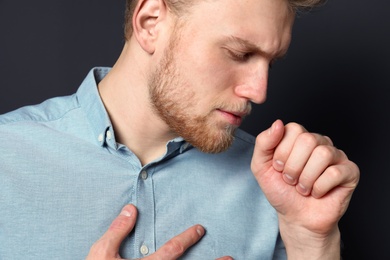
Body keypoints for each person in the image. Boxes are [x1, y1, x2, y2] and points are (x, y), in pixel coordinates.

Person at [0, 0, 360, 259]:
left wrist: (313, 242)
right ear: (150, 22)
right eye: (238, 54)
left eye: (270, 62)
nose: (259, 91)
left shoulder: (281, 191)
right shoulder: (7, 157)